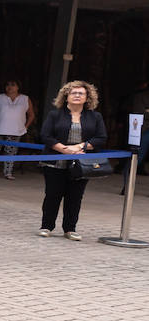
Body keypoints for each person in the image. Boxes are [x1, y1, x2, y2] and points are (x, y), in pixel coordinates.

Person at [39, 80, 107, 240]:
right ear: (66, 96)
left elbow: (101, 137)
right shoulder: (54, 114)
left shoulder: (95, 116)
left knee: (75, 197)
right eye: (73, 93)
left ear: (87, 97)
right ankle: (46, 226)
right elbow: (45, 135)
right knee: (52, 195)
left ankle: (70, 229)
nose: (77, 95)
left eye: (81, 93)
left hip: (81, 163)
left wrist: (81, 147)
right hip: (55, 161)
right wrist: (64, 149)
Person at [0, 79, 34, 179]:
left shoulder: (25, 99)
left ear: (18, 87)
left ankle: (8, 173)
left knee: (11, 153)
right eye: (7, 85)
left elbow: (31, 115)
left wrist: (25, 127)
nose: (9, 87)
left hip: (16, 131)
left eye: (13, 85)